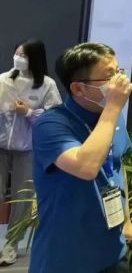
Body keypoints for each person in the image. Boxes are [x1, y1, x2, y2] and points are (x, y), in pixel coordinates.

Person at [30, 42, 132, 273]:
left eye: (118, 72)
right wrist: (113, 107)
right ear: (78, 89)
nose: (119, 81)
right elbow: (86, 167)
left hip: (113, 252)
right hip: (66, 258)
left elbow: (118, 166)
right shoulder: (51, 125)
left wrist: (127, 221)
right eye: (109, 76)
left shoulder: (112, 119)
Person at [0, 39, 62, 265]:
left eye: (23, 55)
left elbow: (54, 118)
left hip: (28, 149)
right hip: (1, 147)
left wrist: (28, 112)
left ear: (34, 59)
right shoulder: (4, 80)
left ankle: (11, 245)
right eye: (16, 53)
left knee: (21, 198)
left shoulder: (46, 85)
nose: (18, 59)